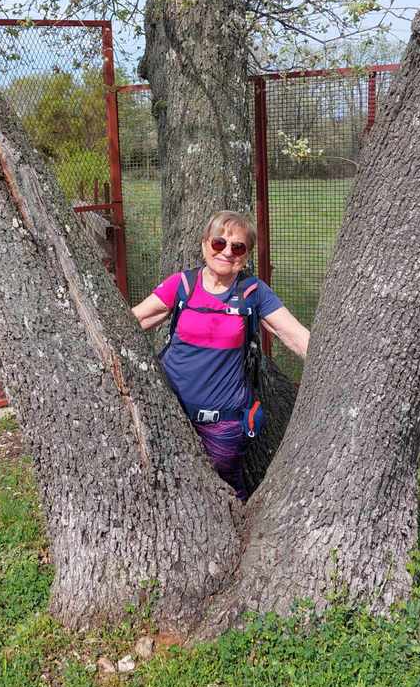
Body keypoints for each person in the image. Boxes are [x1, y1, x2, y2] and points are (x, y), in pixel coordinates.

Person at [131, 210, 309, 501]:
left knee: (224, 494)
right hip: (169, 412)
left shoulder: (253, 292)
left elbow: (297, 337)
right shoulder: (182, 285)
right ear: (204, 245)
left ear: (246, 256)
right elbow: (132, 321)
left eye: (237, 247)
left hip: (223, 425)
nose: (227, 252)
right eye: (218, 243)